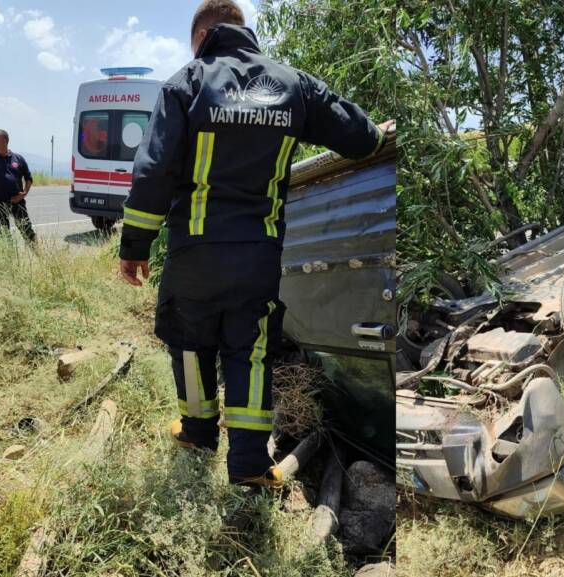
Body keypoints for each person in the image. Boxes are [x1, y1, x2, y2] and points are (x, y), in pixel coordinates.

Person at [117, 0, 392, 487]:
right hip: (258, 252)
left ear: (202, 38)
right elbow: (359, 137)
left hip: (194, 251)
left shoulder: (187, 82)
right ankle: (247, 464)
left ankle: (198, 433)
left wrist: (135, 245)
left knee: (190, 341)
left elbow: (154, 169)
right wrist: (375, 137)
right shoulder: (293, 84)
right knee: (250, 351)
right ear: (241, 31)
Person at [0, 129, 37, 242]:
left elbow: (29, 178)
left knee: (27, 230)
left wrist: (24, 194)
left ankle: (38, 254)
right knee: (4, 235)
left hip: (17, 202)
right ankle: (9, 258)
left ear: (4, 140)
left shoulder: (18, 159)